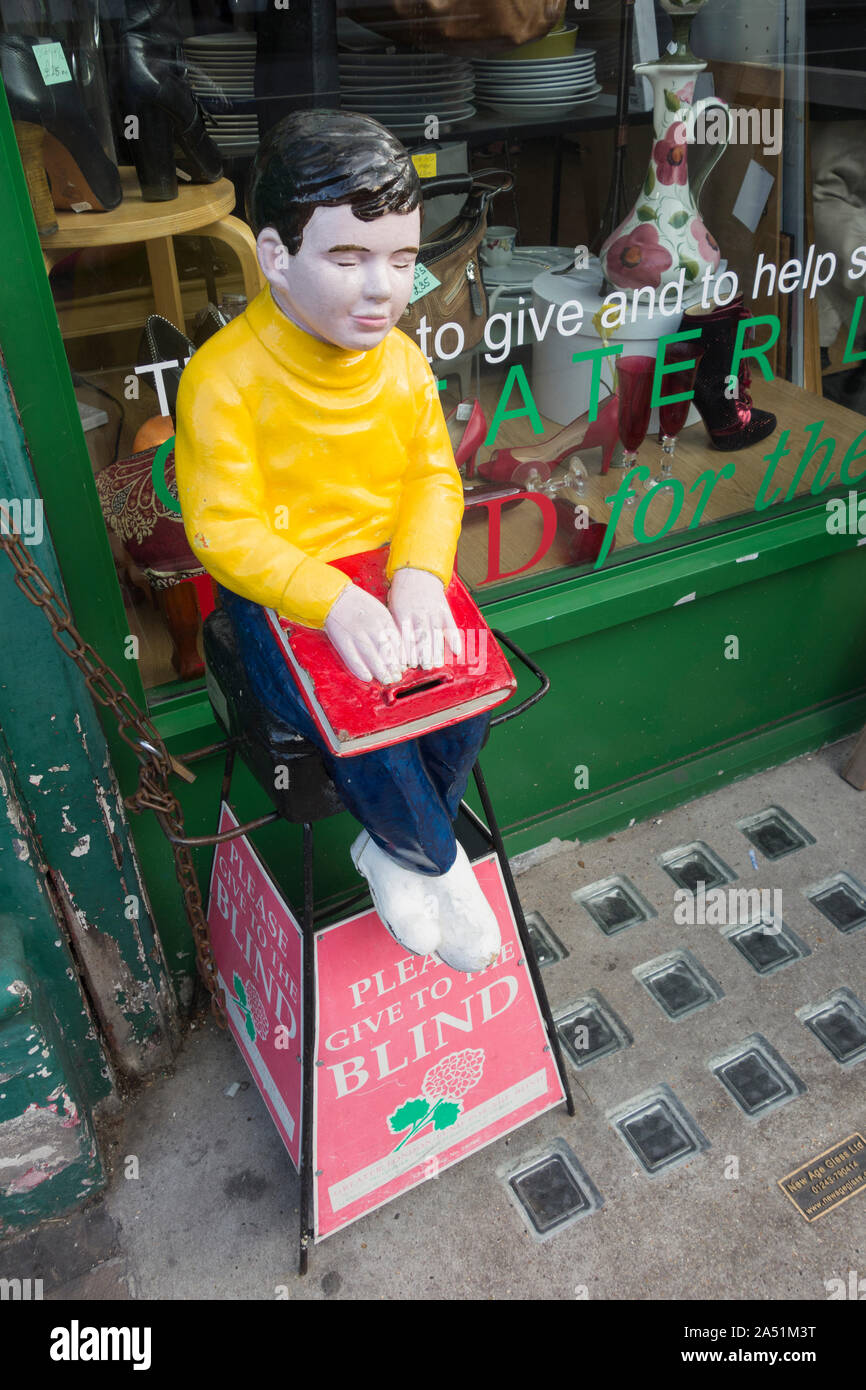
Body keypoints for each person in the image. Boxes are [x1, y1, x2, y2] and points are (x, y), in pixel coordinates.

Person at [175, 109, 500, 973]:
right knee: (369, 717)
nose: (382, 289)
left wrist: (419, 572)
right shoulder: (224, 379)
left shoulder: (403, 364)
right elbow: (223, 528)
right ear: (276, 256)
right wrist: (333, 600)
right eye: (348, 258)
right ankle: (441, 866)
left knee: (465, 700)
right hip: (288, 594)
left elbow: (433, 479)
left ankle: (397, 852)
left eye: (401, 259)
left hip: (391, 573)